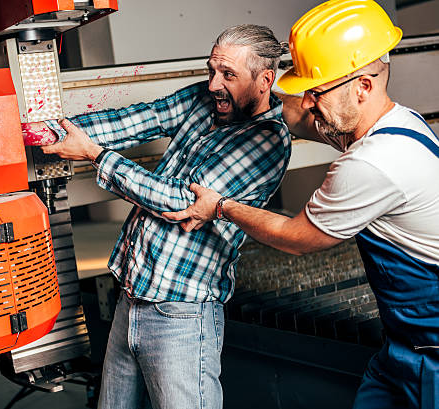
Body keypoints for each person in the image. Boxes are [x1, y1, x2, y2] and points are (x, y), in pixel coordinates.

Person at [163, 1, 439, 408]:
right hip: (403, 346)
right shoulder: (399, 123)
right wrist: (253, 90)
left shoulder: (372, 164)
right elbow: (306, 118)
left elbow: (293, 238)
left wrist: (221, 206)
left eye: (317, 90)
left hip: (431, 355)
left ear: (363, 86)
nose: (307, 103)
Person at [29, 25, 290, 409]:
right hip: (131, 298)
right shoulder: (206, 100)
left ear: (265, 79)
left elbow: (177, 200)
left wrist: (95, 155)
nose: (214, 84)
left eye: (228, 75)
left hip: (182, 315)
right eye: (211, 70)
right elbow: (136, 120)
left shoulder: (266, 140)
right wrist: (50, 131)